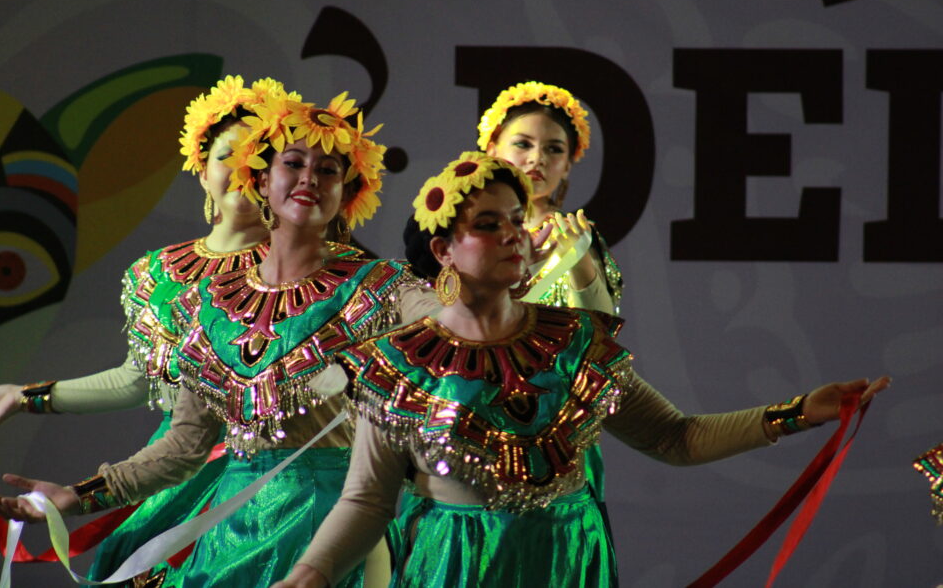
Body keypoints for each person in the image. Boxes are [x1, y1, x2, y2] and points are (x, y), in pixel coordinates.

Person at [273, 151, 890, 588]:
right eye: (487, 225)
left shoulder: (574, 342)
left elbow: (676, 437)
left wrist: (799, 412)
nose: (513, 235)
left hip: (569, 562)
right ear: (444, 251)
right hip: (456, 567)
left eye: (516, 221)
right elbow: (368, 500)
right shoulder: (395, 365)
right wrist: (308, 576)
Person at [0, 87, 436, 588]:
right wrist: (75, 496)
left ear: (346, 194)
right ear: (260, 180)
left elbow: (457, 324)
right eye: (293, 163)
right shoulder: (212, 303)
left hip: (333, 527)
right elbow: (184, 446)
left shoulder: (380, 285)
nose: (310, 177)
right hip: (233, 529)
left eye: (328, 170)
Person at [0, 74, 273, 585]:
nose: (244, 171)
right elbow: (135, 380)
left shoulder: (303, 277)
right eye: (228, 156)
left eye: (263, 159)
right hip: (176, 469)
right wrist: (28, 396)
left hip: (272, 478)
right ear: (201, 169)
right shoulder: (157, 274)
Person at [478, 81, 622, 315]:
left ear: (567, 165)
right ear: (492, 149)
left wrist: (579, 260)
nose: (537, 158)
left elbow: (600, 325)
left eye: (554, 149)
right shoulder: (466, 228)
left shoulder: (573, 235)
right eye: (523, 144)